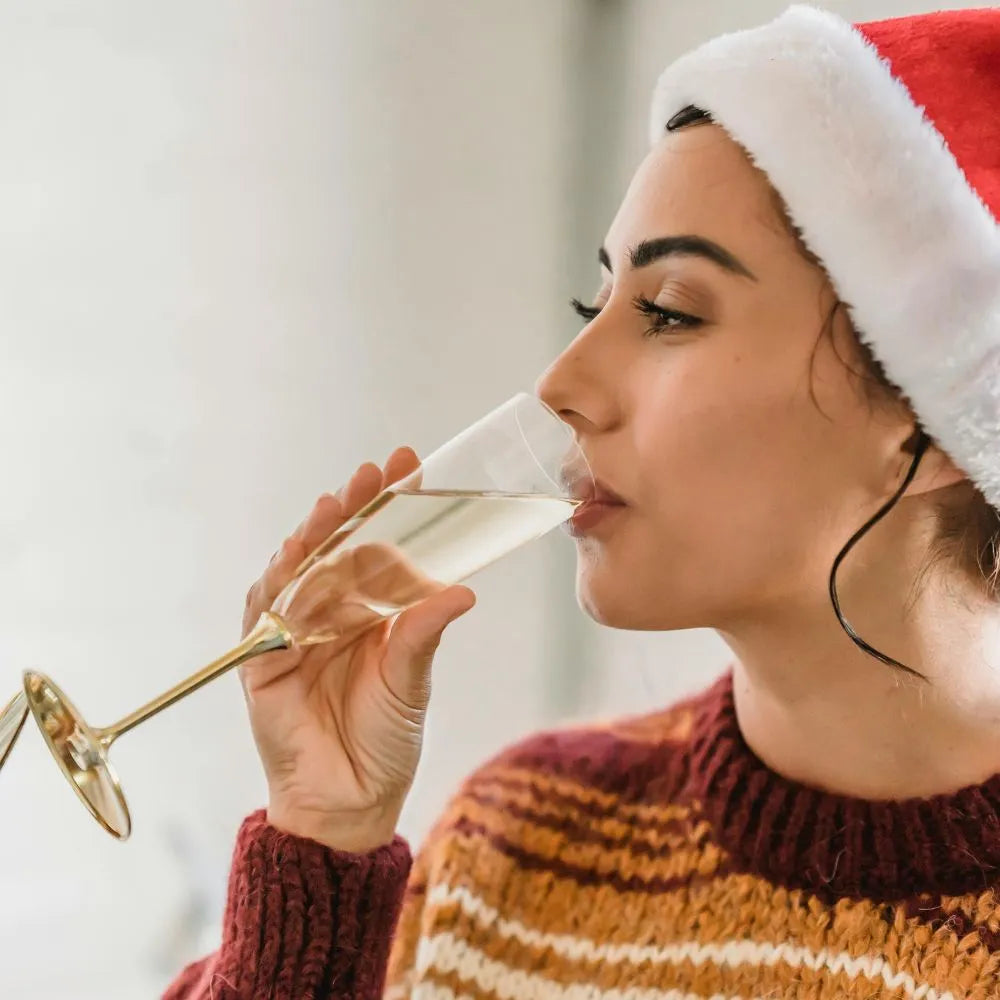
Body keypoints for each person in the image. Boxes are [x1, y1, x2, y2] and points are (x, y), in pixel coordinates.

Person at [164, 5, 1000, 998]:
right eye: (590, 307)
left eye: (670, 311)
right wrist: (319, 843)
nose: (561, 382)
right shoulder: (517, 848)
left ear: (933, 410)